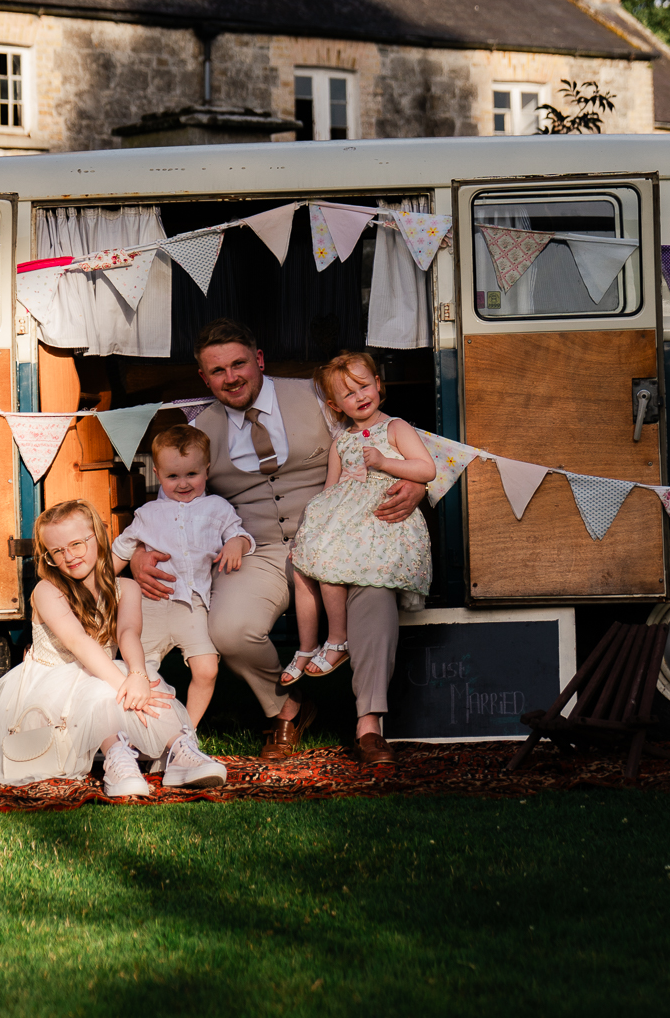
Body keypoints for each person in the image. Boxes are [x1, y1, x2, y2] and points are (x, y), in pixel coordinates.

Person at [127, 319, 429, 767]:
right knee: (228, 630)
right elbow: (171, 499)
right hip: (258, 548)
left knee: (375, 596)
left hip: (340, 536)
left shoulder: (317, 395)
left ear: (259, 360)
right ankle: (286, 707)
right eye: (217, 371)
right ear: (203, 378)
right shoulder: (201, 428)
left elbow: (383, 433)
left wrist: (417, 486)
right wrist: (138, 553)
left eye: (239, 364)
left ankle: (369, 723)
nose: (231, 378)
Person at [0, 499, 226, 795]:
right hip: (48, 686)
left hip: (98, 670)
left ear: (97, 537)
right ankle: (117, 758)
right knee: (102, 688)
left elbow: (128, 633)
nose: (69, 556)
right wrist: (124, 685)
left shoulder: (127, 587)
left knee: (147, 679)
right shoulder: (47, 591)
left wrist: (137, 675)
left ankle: (179, 751)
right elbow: (79, 643)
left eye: (76, 544)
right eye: (56, 552)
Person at [281, 352, 435, 684]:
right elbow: (328, 491)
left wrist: (383, 462)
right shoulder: (342, 441)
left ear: (378, 385)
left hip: (382, 518)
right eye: (348, 394)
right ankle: (318, 643)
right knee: (311, 564)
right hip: (345, 522)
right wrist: (308, 536)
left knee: (332, 566)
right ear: (336, 406)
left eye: (363, 387)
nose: (359, 397)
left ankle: (338, 641)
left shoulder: (395, 427)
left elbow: (426, 469)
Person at [110, 424, 251, 734]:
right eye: (173, 476)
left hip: (193, 606)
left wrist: (234, 544)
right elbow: (121, 549)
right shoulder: (149, 513)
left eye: (192, 474)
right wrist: (98, 581)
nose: (183, 483)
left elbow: (239, 533)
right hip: (153, 606)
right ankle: (144, 729)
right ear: (158, 474)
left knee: (207, 669)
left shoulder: (217, 508)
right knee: (139, 670)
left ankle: (187, 729)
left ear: (206, 470)